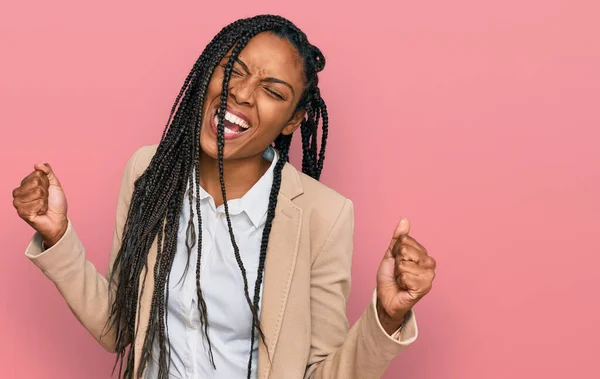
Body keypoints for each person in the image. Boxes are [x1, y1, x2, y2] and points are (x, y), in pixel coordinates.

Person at [12, 14, 436, 379]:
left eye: (273, 91)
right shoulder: (149, 172)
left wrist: (386, 316)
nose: (243, 93)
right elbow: (119, 327)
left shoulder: (323, 215)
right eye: (234, 69)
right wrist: (58, 236)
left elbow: (318, 371)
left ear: (293, 121)